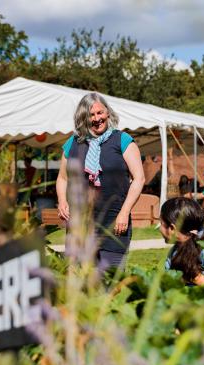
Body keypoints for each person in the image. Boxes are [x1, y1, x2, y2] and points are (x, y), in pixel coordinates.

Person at [56, 93, 145, 272]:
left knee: (110, 281)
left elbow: (139, 178)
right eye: (91, 115)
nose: (97, 119)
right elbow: (62, 178)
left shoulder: (122, 140)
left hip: (114, 221)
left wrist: (124, 212)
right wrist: (62, 201)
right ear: (83, 118)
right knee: (78, 279)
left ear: (108, 113)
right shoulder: (73, 143)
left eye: (100, 113)